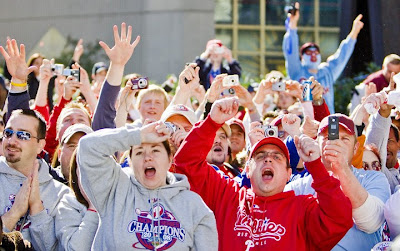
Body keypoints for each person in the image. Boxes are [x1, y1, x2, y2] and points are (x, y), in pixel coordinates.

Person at [77, 23, 218, 250]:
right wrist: (138, 133)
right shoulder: (114, 190)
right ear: (128, 159)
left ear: (170, 159)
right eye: (140, 152)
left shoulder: (194, 206)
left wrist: (185, 93)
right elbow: (87, 148)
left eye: (155, 151)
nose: (148, 157)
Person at [174, 97, 353, 250]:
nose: (268, 159)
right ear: (248, 169)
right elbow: (185, 163)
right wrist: (212, 122)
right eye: (260, 156)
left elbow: (339, 218)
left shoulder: (302, 208)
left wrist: (315, 166)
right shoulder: (226, 195)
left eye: (277, 157)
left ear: (288, 174)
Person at [285, 113, 391, 250]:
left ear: (355, 148)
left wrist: (341, 168)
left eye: (344, 139)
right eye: (329, 137)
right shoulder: (298, 187)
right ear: (317, 142)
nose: (336, 143)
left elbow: (371, 222)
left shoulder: (374, 178)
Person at [0, 109, 70, 250]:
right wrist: (14, 213)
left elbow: (55, 248)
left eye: (23, 135)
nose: (12, 141)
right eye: (8, 133)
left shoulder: (62, 195)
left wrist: (37, 209)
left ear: (40, 145)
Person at [283, 2, 364, 113]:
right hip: (305, 121)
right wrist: (292, 26)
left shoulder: (327, 72)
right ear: (302, 57)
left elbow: (342, 56)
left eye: (316, 52)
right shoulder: (297, 71)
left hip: (327, 122)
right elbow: (290, 53)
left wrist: (354, 32)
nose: (313, 55)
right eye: (308, 52)